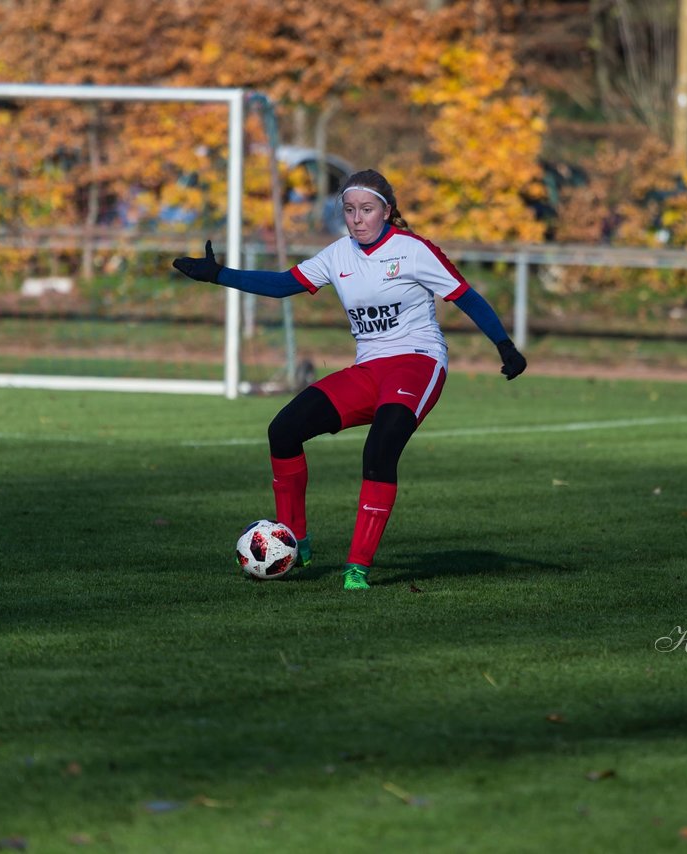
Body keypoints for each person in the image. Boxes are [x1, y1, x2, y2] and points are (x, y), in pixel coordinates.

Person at [173, 169, 526, 590]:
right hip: (368, 369)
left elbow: (464, 295)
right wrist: (219, 275)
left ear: (387, 211)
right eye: (349, 210)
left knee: (379, 449)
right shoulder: (338, 254)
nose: (357, 219)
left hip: (417, 362)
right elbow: (286, 284)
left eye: (367, 210)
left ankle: (357, 566)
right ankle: (295, 541)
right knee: (283, 430)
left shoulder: (414, 251)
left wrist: (504, 344)